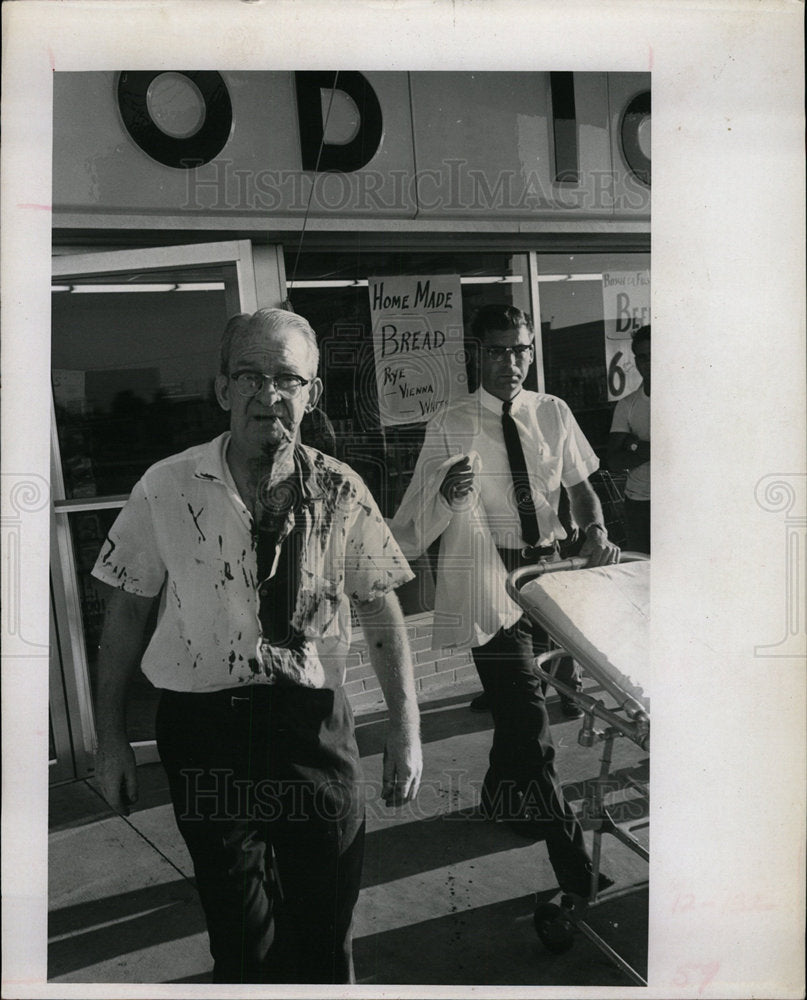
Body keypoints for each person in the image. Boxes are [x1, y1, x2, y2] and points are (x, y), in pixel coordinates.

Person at [92, 307, 422, 984]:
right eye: (249, 377)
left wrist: (407, 732)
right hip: (204, 730)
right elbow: (126, 613)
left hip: (311, 729)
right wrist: (108, 739)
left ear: (313, 394)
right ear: (221, 390)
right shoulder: (166, 486)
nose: (267, 396)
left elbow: (381, 610)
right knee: (240, 940)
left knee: (325, 930)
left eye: (287, 379)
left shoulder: (338, 488)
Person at [390, 303, 619, 903]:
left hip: (551, 575)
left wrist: (593, 530)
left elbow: (580, 488)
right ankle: (576, 870)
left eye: (520, 350)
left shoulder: (554, 412)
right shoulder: (450, 422)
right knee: (531, 723)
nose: (510, 362)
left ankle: (498, 793)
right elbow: (416, 512)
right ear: (478, 353)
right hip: (491, 578)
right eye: (497, 350)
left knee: (518, 709)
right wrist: (444, 491)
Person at [608, 325, 650, 554]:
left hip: (680, 500)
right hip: (639, 503)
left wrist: (633, 445)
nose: (648, 363)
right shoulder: (628, 405)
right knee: (643, 571)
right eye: (642, 357)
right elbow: (613, 461)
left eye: (655, 356)